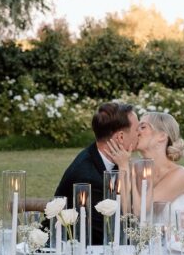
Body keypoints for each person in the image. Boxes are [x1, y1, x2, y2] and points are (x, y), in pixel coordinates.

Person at [53, 101, 138, 244]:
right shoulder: (87, 177)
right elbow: (111, 232)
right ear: (121, 137)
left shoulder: (113, 159)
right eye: (136, 130)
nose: (139, 133)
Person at [106, 111, 184, 221]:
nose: (136, 132)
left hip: (179, 238)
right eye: (136, 128)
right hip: (144, 238)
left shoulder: (181, 175)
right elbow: (126, 213)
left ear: (162, 136)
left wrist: (125, 167)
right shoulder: (134, 168)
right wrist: (124, 167)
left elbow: (139, 212)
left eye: (142, 127)